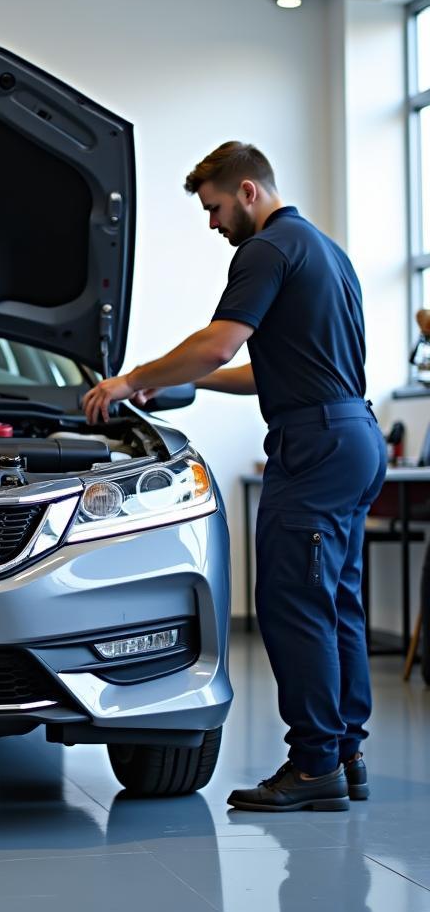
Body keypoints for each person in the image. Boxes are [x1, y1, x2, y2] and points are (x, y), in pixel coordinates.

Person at [82, 141, 386, 812]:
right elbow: (265, 367)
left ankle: (313, 767)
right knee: (336, 602)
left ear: (248, 191)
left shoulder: (266, 251)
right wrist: (186, 387)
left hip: (314, 448)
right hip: (353, 438)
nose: (214, 225)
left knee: (293, 606)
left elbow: (221, 340)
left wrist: (134, 379)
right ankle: (346, 752)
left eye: (215, 209)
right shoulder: (326, 252)